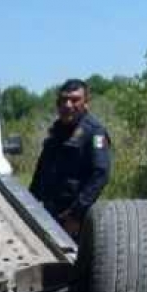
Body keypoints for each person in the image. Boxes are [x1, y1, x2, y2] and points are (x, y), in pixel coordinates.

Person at [29, 79, 112, 236]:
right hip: (49, 213)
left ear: (86, 103)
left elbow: (100, 174)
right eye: (63, 100)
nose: (68, 105)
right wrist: (30, 204)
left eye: (75, 100)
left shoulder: (94, 132)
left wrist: (76, 214)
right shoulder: (56, 132)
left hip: (76, 218)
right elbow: (41, 172)